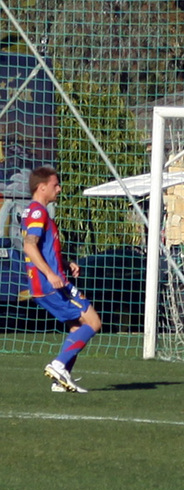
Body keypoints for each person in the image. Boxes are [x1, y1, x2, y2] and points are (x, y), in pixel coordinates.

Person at [20, 166, 101, 393]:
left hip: (44, 283)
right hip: (51, 284)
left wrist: (64, 263)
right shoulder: (38, 212)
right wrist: (51, 273)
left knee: (77, 327)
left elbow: (43, 248)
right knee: (93, 322)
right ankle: (58, 364)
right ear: (42, 187)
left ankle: (60, 380)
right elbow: (29, 246)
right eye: (55, 185)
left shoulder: (35, 212)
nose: (59, 189)